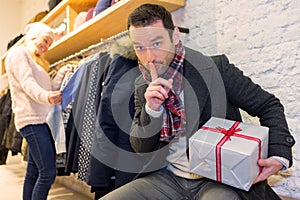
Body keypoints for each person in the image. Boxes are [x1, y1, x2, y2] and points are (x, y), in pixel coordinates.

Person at [100, 4, 295, 200]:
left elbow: (268, 105)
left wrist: (279, 155)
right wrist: (152, 110)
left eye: (157, 43)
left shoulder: (215, 68)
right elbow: (140, 147)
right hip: (169, 178)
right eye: (140, 47)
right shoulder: (143, 83)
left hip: (219, 178)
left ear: (175, 36)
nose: (149, 57)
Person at [5, 22, 74, 200]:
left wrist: (60, 73)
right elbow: (27, 84)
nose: (46, 46)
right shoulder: (18, 53)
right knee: (48, 173)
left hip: (41, 119)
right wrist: (46, 96)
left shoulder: (36, 61)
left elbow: (48, 89)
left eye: (49, 44)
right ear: (33, 36)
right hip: (31, 120)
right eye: (44, 41)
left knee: (34, 171)